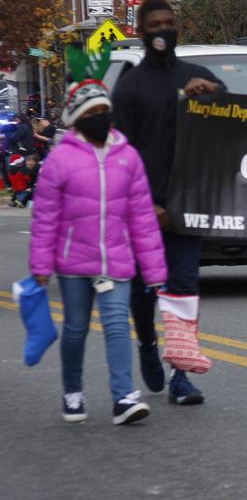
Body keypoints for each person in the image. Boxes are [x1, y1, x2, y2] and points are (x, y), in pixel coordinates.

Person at [29, 80, 168, 424]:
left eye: (104, 111)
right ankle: (72, 391)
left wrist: (154, 272)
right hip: (74, 261)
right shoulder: (60, 159)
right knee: (75, 328)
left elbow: (143, 220)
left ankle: (123, 398)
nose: (100, 118)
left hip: (116, 260)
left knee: (118, 326)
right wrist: (41, 266)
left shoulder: (128, 156)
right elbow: (46, 218)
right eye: (91, 113)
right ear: (76, 118)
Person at [111, 0, 223, 406]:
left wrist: (211, 92)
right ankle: (146, 344)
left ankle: (181, 373)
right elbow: (121, 156)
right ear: (141, 33)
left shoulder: (195, 74)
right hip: (143, 209)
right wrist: (144, 206)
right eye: (155, 24)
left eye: (170, 22)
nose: (164, 30)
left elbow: (232, 114)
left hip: (186, 204)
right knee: (143, 291)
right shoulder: (128, 88)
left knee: (183, 286)